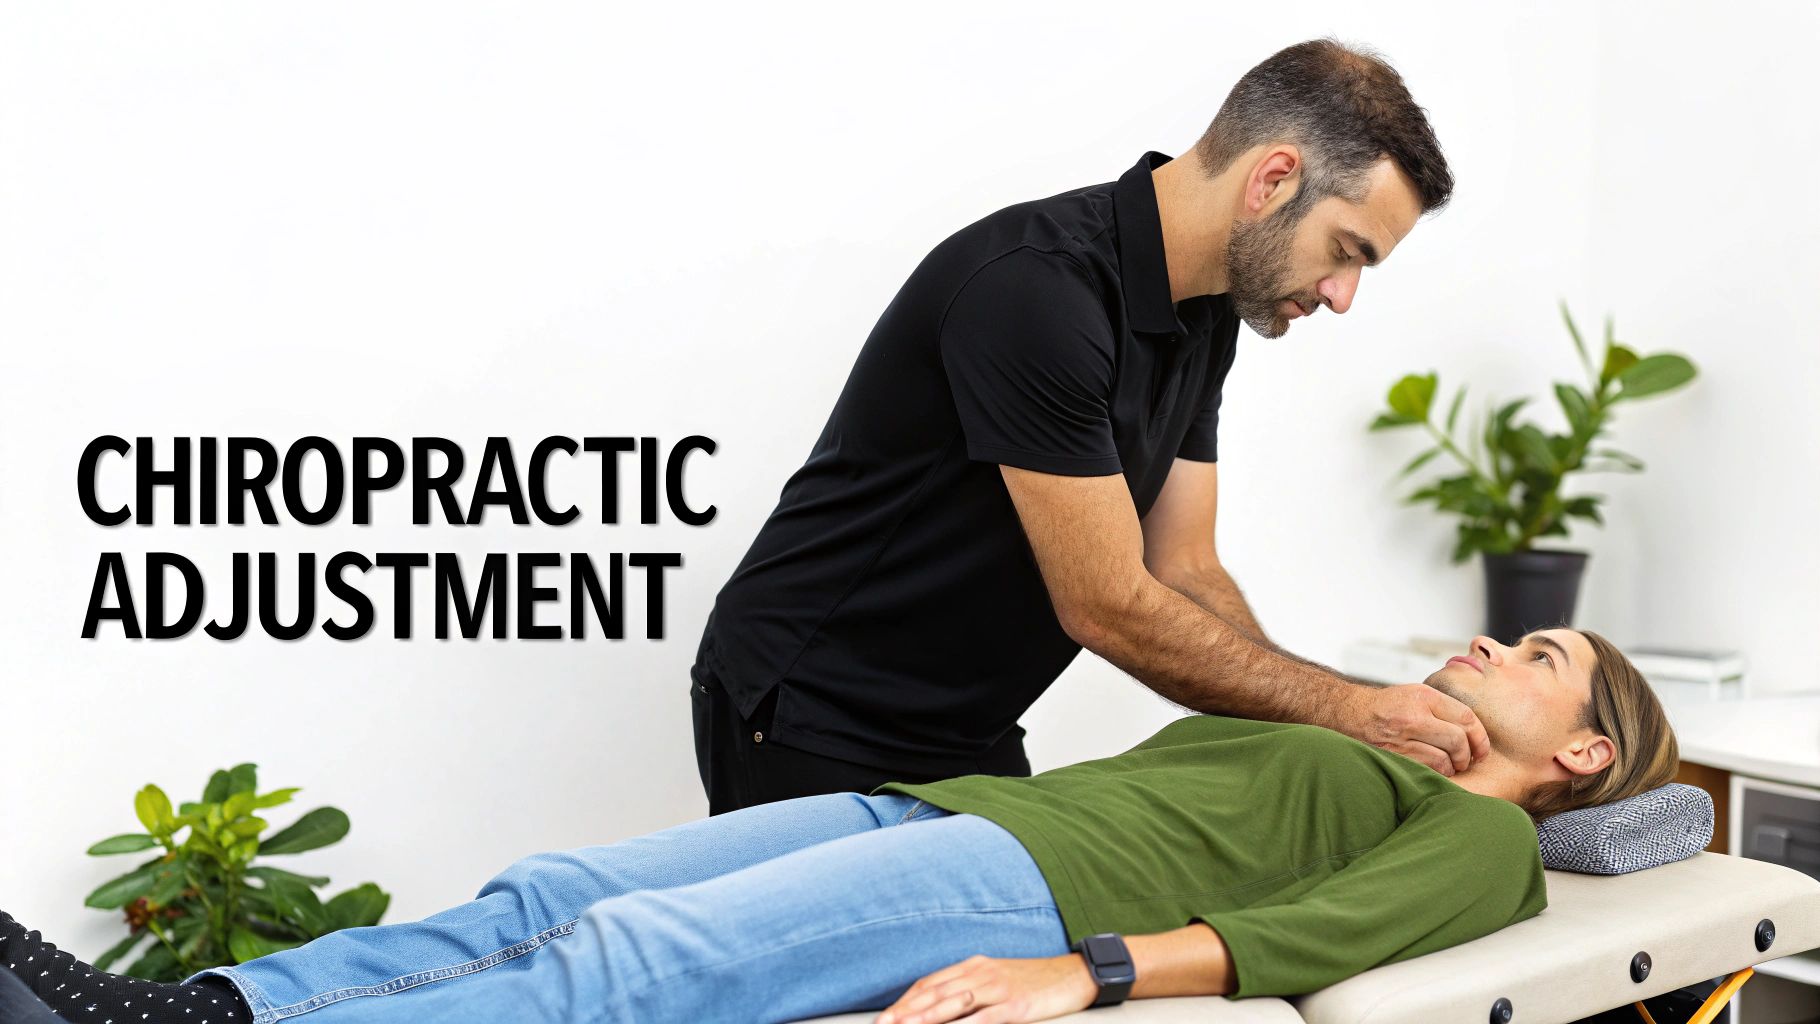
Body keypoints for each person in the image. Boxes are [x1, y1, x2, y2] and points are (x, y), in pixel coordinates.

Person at [4, 629, 1676, 1024]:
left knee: (630, 963)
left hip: (1032, 881)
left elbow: (1314, 936)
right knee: (555, 888)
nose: (1493, 644)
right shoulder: (1364, 732)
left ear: (1586, 749)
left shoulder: (1487, 842)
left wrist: (1084, 970)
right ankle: (203, 1010)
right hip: (953, 805)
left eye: (1540, 655)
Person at [690, 38, 1478, 814]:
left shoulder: (1209, 315)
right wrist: (1347, 710)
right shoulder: (1036, 292)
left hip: (966, 725)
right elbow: (1108, 603)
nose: (1342, 296)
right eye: (1346, 251)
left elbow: (1184, 566)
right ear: (1272, 180)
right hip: (812, 704)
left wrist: (1344, 715)